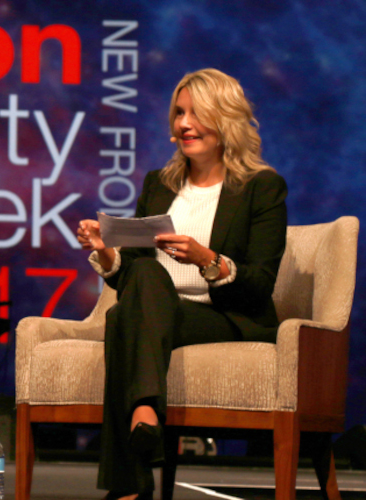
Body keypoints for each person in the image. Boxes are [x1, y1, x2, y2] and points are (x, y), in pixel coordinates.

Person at [76, 68, 287, 500]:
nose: (184, 124)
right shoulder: (159, 184)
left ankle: (130, 482)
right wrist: (108, 253)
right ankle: (144, 415)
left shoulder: (262, 187)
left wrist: (208, 260)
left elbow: (260, 284)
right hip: (159, 311)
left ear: (225, 117)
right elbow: (133, 275)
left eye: (196, 113)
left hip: (224, 315)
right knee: (141, 284)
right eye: (178, 113)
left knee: (122, 322)